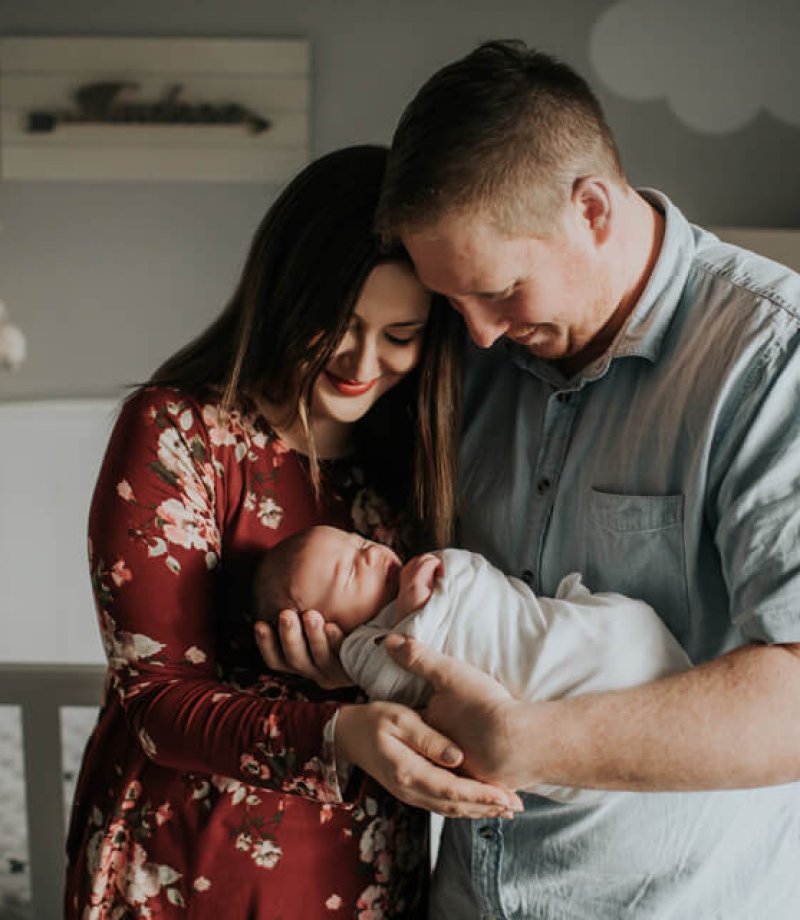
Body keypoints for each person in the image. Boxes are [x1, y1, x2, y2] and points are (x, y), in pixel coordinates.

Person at [264, 41, 800, 918]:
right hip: (468, 894)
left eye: (501, 291)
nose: (473, 338)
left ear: (591, 209)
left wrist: (526, 742)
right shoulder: (479, 352)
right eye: (452, 305)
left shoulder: (770, 361)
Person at [63, 144, 520, 919]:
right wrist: (338, 732)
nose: (362, 363)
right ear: (283, 299)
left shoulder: (416, 460)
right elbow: (154, 700)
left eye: (400, 335)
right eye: (337, 326)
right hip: (186, 859)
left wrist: (370, 677)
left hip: (366, 863)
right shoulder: (181, 435)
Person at [253, 523, 691, 803]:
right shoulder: (361, 650)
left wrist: (443, 579)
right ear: (323, 626)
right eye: (349, 572)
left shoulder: (419, 568)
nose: (370, 553)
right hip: (536, 693)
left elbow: (480, 582)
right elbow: (396, 681)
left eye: (360, 542)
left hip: (546, 633)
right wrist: (412, 615)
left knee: (558, 626)